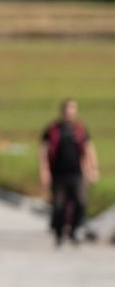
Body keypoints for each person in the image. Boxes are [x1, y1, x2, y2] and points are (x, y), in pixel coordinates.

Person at [40, 99, 98, 247]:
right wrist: (44, 171)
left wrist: (93, 169)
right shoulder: (53, 130)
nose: (69, 113)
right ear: (63, 112)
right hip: (58, 174)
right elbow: (43, 151)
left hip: (78, 173)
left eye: (72, 109)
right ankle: (59, 233)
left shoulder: (80, 130)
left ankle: (74, 230)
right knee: (58, 205)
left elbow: (89, 149)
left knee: (81, 202)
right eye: (67, 110)